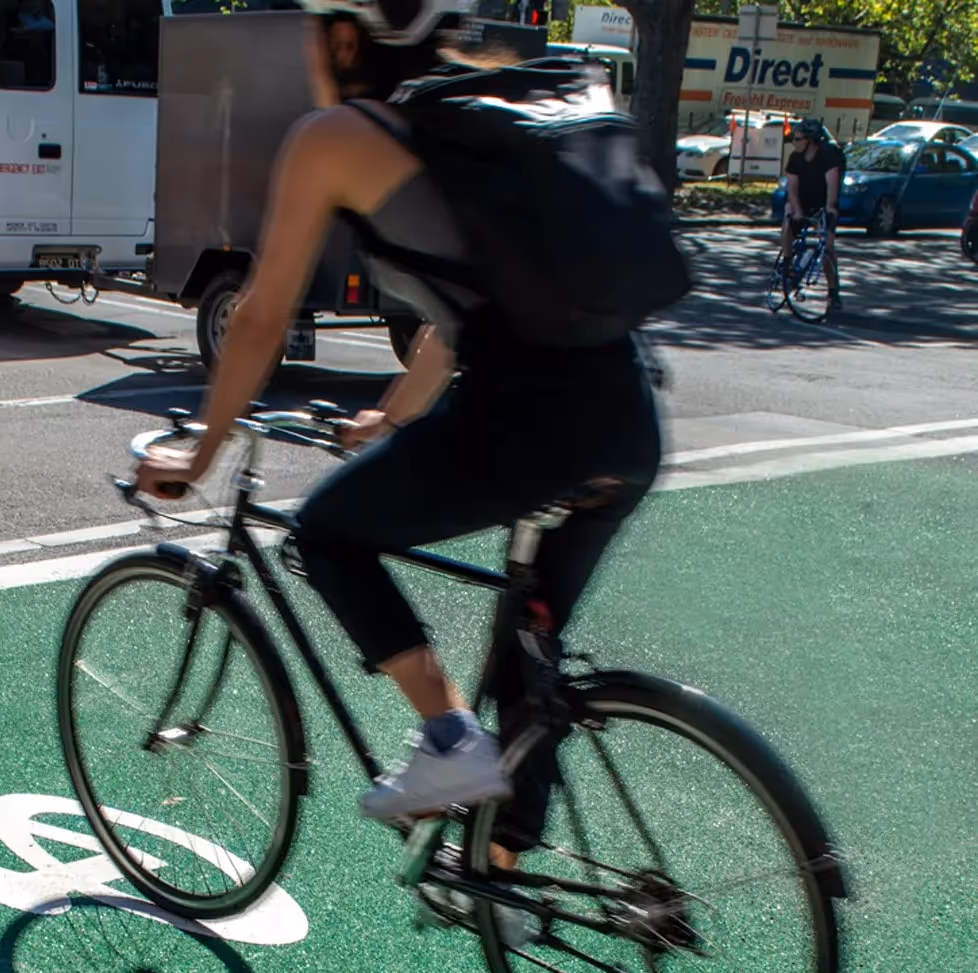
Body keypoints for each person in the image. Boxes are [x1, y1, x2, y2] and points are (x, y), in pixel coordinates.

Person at [133, 0, 662, 877]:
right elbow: (460, 323)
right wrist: (393, 416)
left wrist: (201, 453)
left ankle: (448, 740)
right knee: (526, 663)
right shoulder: (483, 123)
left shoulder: (339, 135)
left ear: (345, 37)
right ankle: (503, 877)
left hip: (525, 422)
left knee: (326, 533)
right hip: (627, 417)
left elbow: (260, 319)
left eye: (312, 37)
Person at [781, 119, 843, 311]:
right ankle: (787, 264)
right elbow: (792, 188)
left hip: (821, 203)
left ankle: (833, 291)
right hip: (801, 201)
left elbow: (832, 189)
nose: (794, 142)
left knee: (828, 247)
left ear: (810, 141)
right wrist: (798, 211)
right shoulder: (795, 157)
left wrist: (830, 211)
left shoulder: (829, 156)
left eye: (797, 138)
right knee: (789, 219)